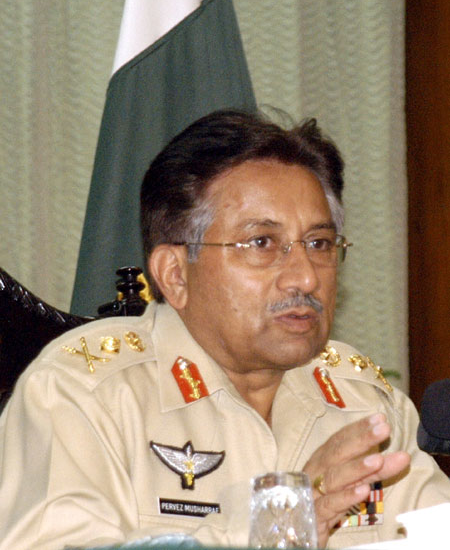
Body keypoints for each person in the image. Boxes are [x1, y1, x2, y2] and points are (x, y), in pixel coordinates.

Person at [0, 110, 449, 550]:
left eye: (319, 243)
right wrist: (271, 525)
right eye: (262, 243)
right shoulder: (82, 394)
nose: (306, 277)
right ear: (175, 274)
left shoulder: (363, 402)